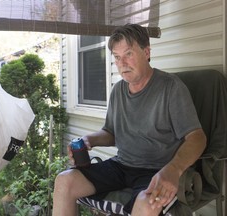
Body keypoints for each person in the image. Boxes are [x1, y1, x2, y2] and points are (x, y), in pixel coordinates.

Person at [52, 24, 206, 216]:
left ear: (146, 52)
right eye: (117, 57)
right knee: (64, 181)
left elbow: (196, 137)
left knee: (147, 204)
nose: (122, 63)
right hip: (121, 165)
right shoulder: (118, 90)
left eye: (128, 54)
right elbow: (110, 133)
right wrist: (89, 140)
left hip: (156, 170)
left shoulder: (171, 88)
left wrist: (173, 170)